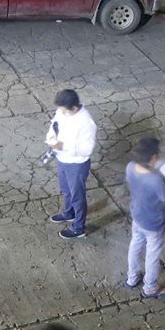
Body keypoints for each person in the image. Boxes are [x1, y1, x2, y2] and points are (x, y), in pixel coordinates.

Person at [123, 137, 165, 298]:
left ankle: (132, 278)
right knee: (152, 253)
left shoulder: (130, 167)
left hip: (137, 215)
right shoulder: (155, 179)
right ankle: (150, 287)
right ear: (153, 157)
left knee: (136, 244)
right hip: (153, 222)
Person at [46, 89, 97, 239]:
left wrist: (63, 146)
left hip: (76, 164)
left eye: (63, 109)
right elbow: (54, 125)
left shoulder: (86, 122)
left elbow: (87, 149)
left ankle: (78, 227)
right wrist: (51, 139)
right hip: (62, 159)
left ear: (73, 107)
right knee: (66, 190)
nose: (60, 111)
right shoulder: (63, 111)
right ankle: (69, 212)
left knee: (77, 196)